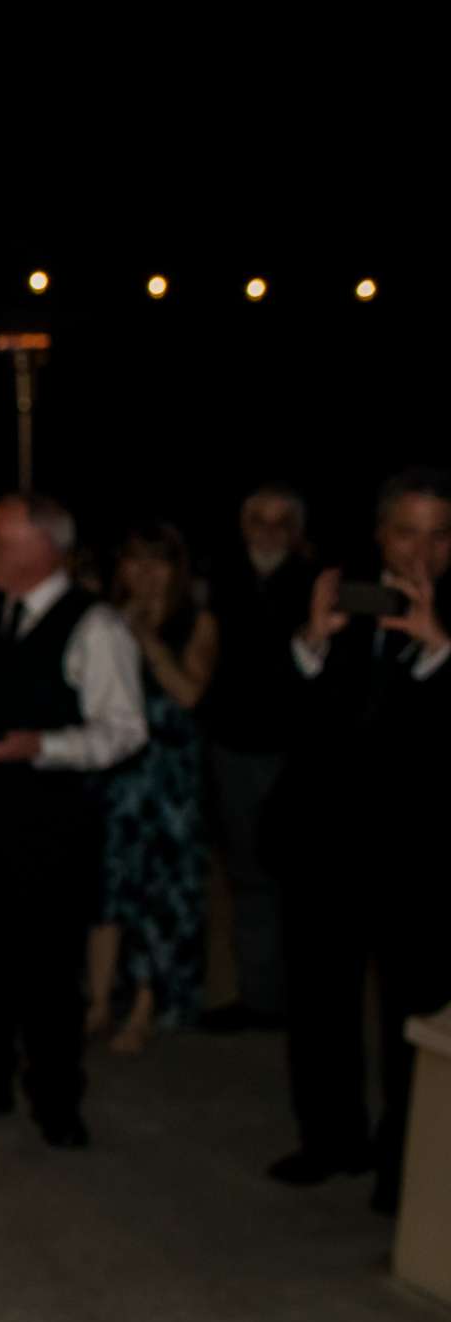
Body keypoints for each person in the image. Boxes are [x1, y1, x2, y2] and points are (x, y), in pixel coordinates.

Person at [0, 494, 147, 1148]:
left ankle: (56, 1096)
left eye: (0, 541)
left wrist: (45, 746)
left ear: (45, 548)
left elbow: (125, 730)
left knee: (48, 963)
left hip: (54, 818)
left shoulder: (94, 627)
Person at [268, 469, 451, 1213]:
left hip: (420, 856)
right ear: (380, 534)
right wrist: (311, 642)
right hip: (326, 843)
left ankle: (405, 1167)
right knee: (319, 1001)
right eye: (408, 530)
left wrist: (442, 651)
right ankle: (330, 1138)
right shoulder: (335, 595)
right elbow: (271, 716)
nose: (423, 550)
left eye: (440, 533)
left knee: (415, 1015)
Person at [85, 523, 216, 1054]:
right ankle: (97, 1002)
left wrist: (146, 640)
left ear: (175, 569)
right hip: (115, 774)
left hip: (169, 779)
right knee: (106, 886)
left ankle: (144, 1005)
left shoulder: (198, 622)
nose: (145, 572)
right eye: (134, 559)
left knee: (159, 894)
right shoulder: (101, 619)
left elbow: (188, 693)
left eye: (157, 561)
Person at [197, 486, 315, 1033]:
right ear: (243, 527)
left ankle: (302, 996)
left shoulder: (317, 583)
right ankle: (258, 997)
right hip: (233, 744)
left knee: (298, 875)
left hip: (296, 751)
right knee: (246, 875)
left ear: (295, 531)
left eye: (280, 523)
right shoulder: (223, 578)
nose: (268, 532)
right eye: (258, 522)